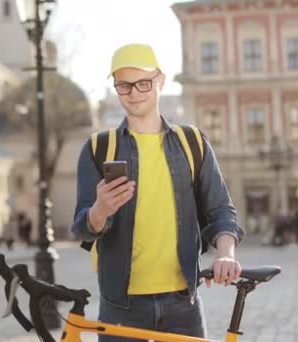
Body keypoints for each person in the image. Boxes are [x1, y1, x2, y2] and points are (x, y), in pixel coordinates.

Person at [71, 43, 244, 341]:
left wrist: (226, 254)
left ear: (160, 81)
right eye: (124, 85)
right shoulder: (99, 148)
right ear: (115, 87)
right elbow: (82, 228)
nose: (134, 92)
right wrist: (100, 210)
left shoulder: (193, 143)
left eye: (143, 83)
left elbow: (220, 209)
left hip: (182, 301)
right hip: (120, 303)